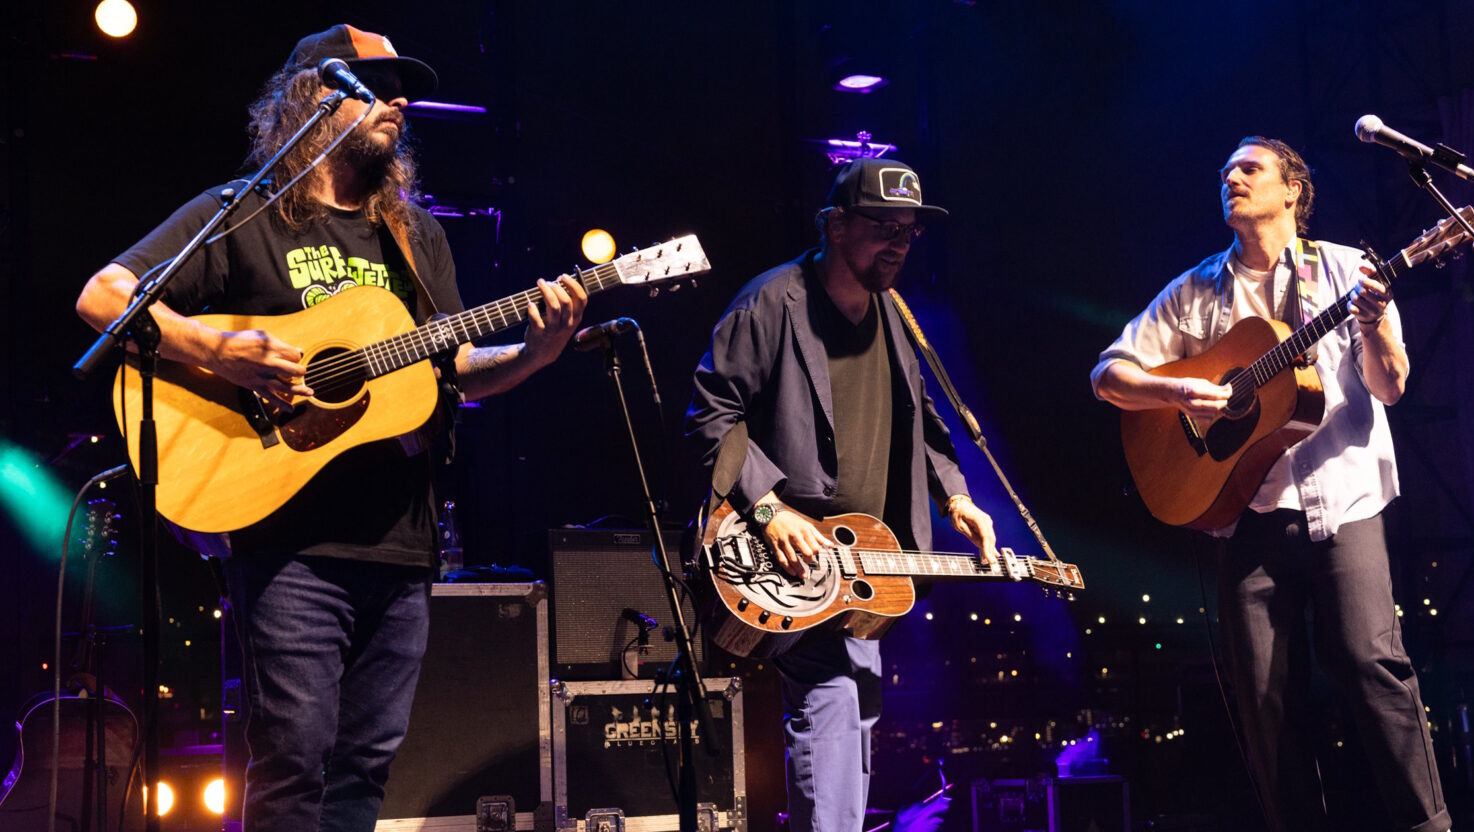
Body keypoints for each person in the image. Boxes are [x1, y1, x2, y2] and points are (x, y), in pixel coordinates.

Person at [75, 25, 586, 831]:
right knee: (293, 758)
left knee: (366, 767)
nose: (400, 102)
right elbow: (104, 297)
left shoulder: (416, 239)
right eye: (375, 85)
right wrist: (220, 350)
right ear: (311, 98)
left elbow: (448, 369)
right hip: (290, 545)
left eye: (401, 90)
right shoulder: (242, 215)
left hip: (402, 543)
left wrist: (538, 350)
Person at [1091, 136, 1449, 831]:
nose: (1231, 176)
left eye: (1249, 168)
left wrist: (1372, 324)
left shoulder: (1348, 270)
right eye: (1225, 168)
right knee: (1264, 703)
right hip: (1247, 513)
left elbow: (1391, 385)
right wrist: (1180, 390)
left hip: (1345, 506)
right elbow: (1107, 376)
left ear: (1292, 190)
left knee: (1370, 667)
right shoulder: (1194, 292)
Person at [685, 157, 996, 832]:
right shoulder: (773, 302)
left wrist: (956, 498)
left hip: (860, 564)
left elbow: (923, 422)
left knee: (854, 708)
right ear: (834, 224)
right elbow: (710, 416)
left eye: (908, 232)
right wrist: (768, 509)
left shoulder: (898, 318)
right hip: (783, 553)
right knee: (833, 701)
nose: (897, 243)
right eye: (883, 226)